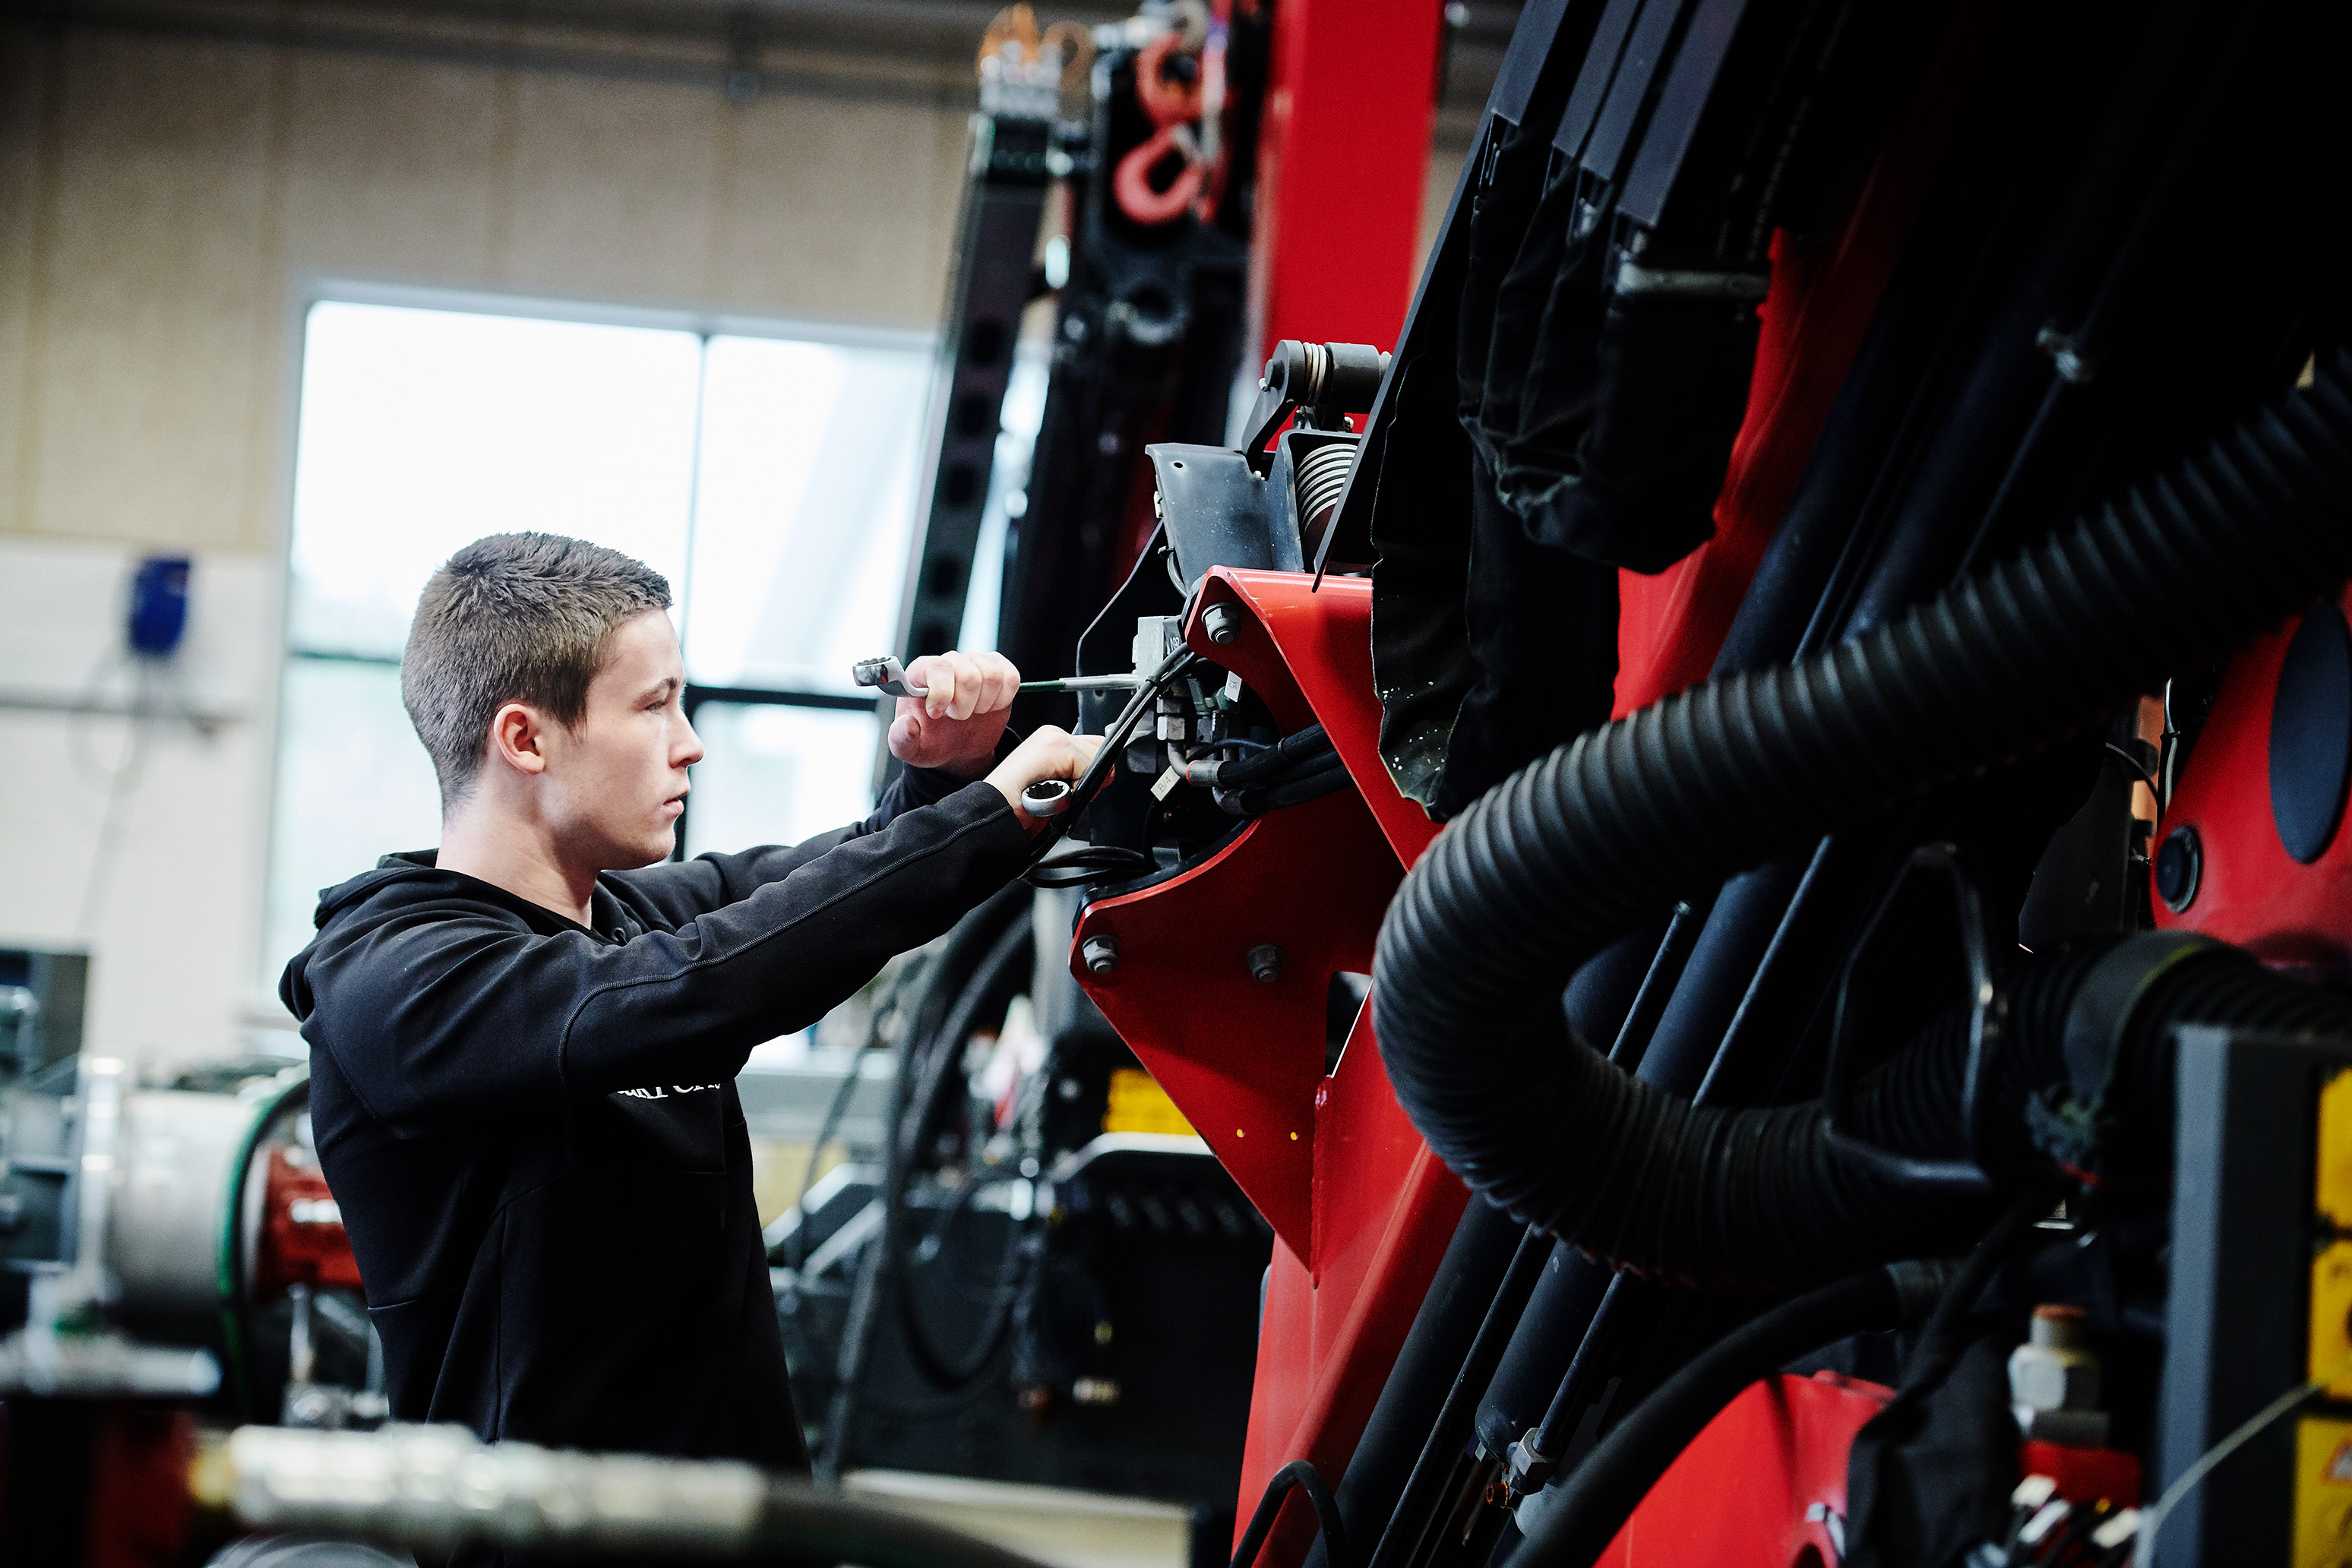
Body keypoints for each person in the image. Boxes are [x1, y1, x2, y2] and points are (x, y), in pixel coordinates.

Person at [279, 532, 1099, 1495]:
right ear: (526, 740)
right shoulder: (399, 973)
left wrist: (944, 781)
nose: (689, 741)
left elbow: (815, 895)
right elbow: (697, 986)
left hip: (736, 1521)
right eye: (653, 704)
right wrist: (1001, 811)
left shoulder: (620, 916)